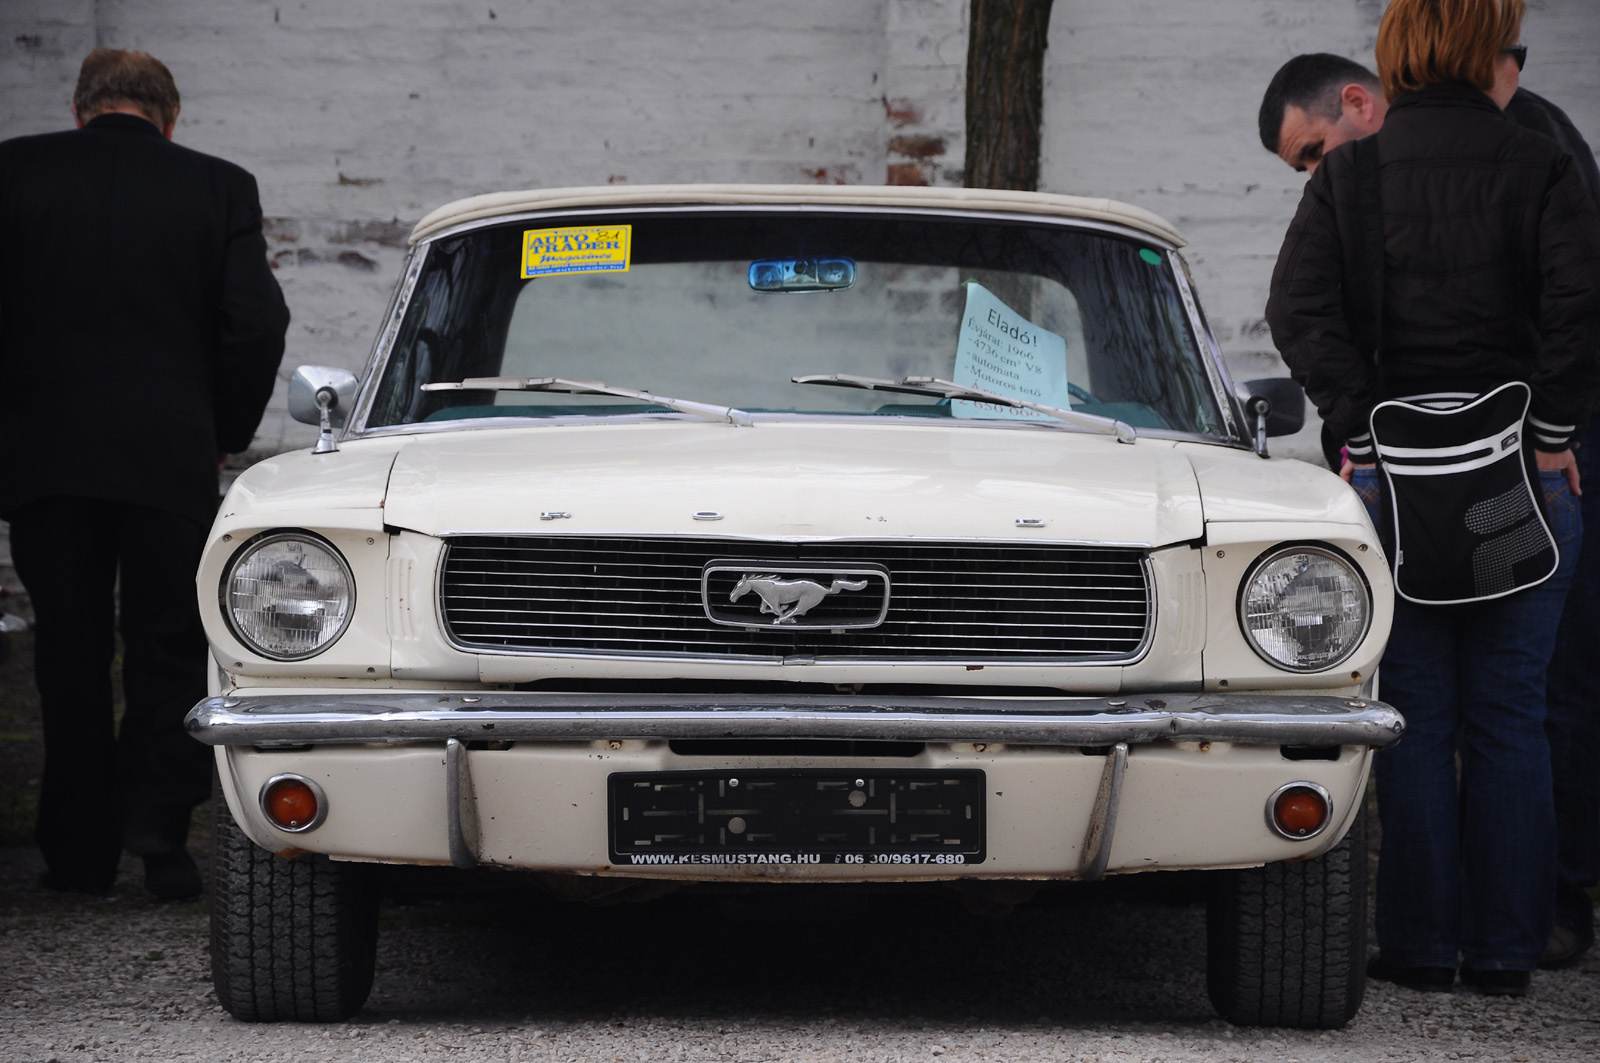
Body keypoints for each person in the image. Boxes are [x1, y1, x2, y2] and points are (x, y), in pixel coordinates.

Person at [1265, 0, 1600, 996]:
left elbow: (1296, 307)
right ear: (1483, 50)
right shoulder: (1535, 157)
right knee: (1510, 713)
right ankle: (1504, 948)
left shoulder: (1356, 174)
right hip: (1522, 486)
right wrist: (1548, 436)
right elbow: (1584, 304)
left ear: (1395, 55)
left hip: (1397, 486)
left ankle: (1415, 945)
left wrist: (1362, 425)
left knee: (1414, 712)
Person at [0, 50, 289, 899]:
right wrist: (221, 430)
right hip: (166, 450)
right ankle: (161, 834)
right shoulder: (217, 186)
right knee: (168, 640)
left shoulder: (14, 173)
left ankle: (76, 851)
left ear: (82, 106)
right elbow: (256, 323)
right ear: (170, 117)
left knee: (69, 648)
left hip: (47, 453)